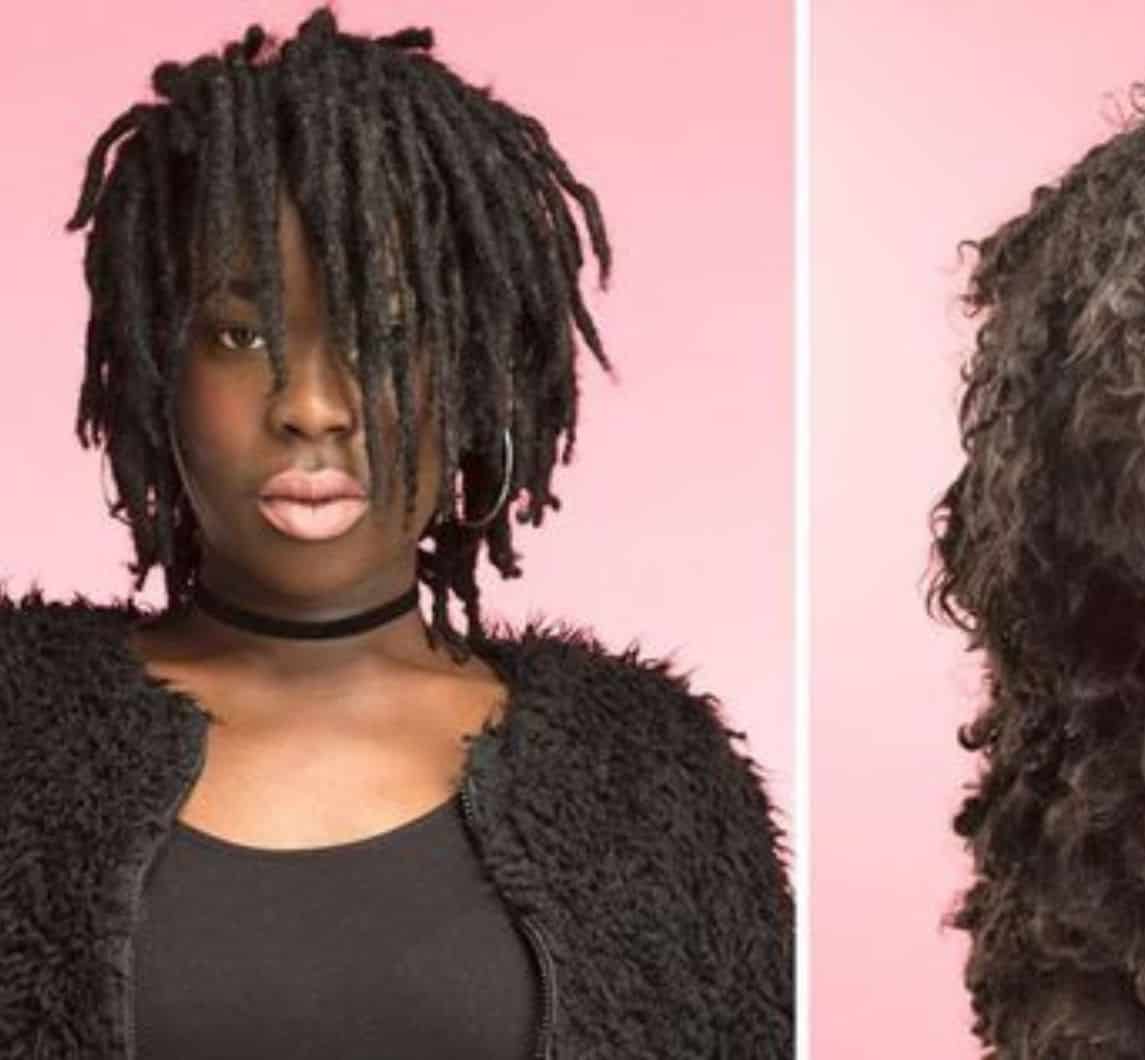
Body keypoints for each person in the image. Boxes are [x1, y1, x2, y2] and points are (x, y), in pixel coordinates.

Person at [0, 9, 792, 1058]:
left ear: (473, 376)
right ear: (158, 371)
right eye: (242, 335)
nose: (314, 405)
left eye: (386, 333)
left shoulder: (653, 780)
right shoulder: (18, 733)